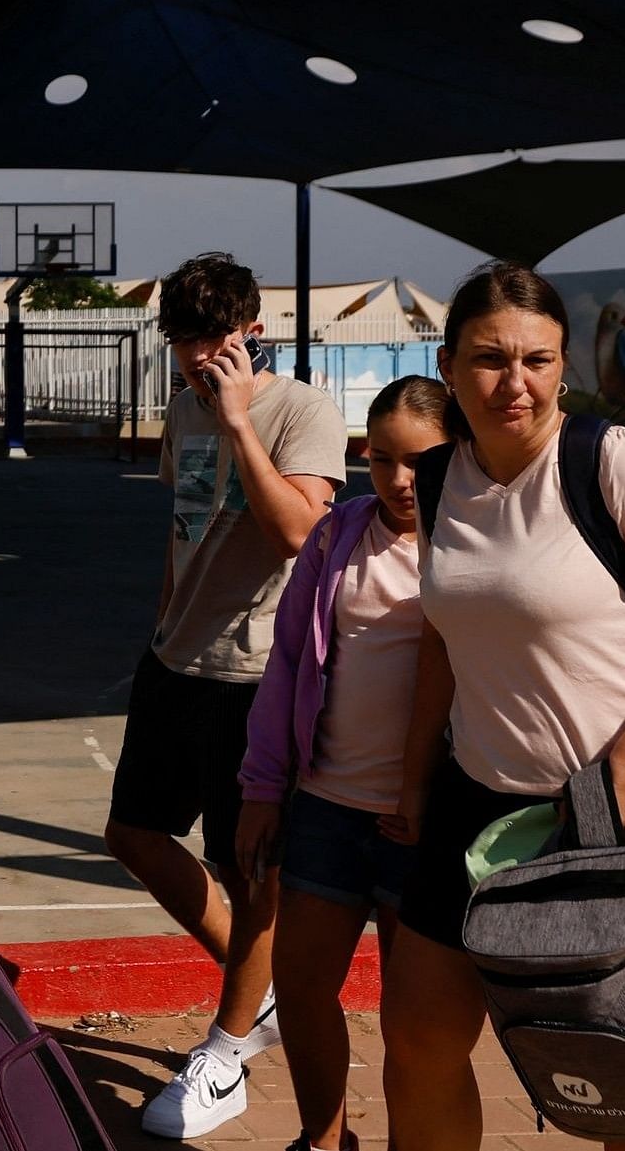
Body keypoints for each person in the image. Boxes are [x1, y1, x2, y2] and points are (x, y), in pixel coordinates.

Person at [384, 261, 625, 1151]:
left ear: (564, 366)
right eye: (489, 358)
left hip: (620, 815)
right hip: (477, 804)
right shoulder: (440, 481)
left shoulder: (616, 464)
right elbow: (445, 638)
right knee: (418, 1037)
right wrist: (413, 784)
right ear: (447, 366)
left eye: (537, 359)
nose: (513, 381)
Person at [108, 252, 350, 1142]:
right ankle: (263, 988)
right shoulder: (180, 408)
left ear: (251, 331)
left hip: (258, 676)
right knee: (131, 832)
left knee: (254, 873)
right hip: (176, 660)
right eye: (183, 341)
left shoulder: (301, 411)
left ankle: (227, 1047)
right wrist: (164, 613)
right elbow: (185, 521)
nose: (198, 358)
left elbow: (298, 531)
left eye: (214, 338)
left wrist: (243, 420)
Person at [232, 375, 452, 1151]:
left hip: (424, 821)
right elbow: (287, 662)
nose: (398, 479)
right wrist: (263, 789)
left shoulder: (480, 543)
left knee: (413, 1017)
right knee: (299, 984)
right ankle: (323, 1138)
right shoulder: (337, 536)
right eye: (381, 458)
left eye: (419, 461)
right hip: (326, 806)